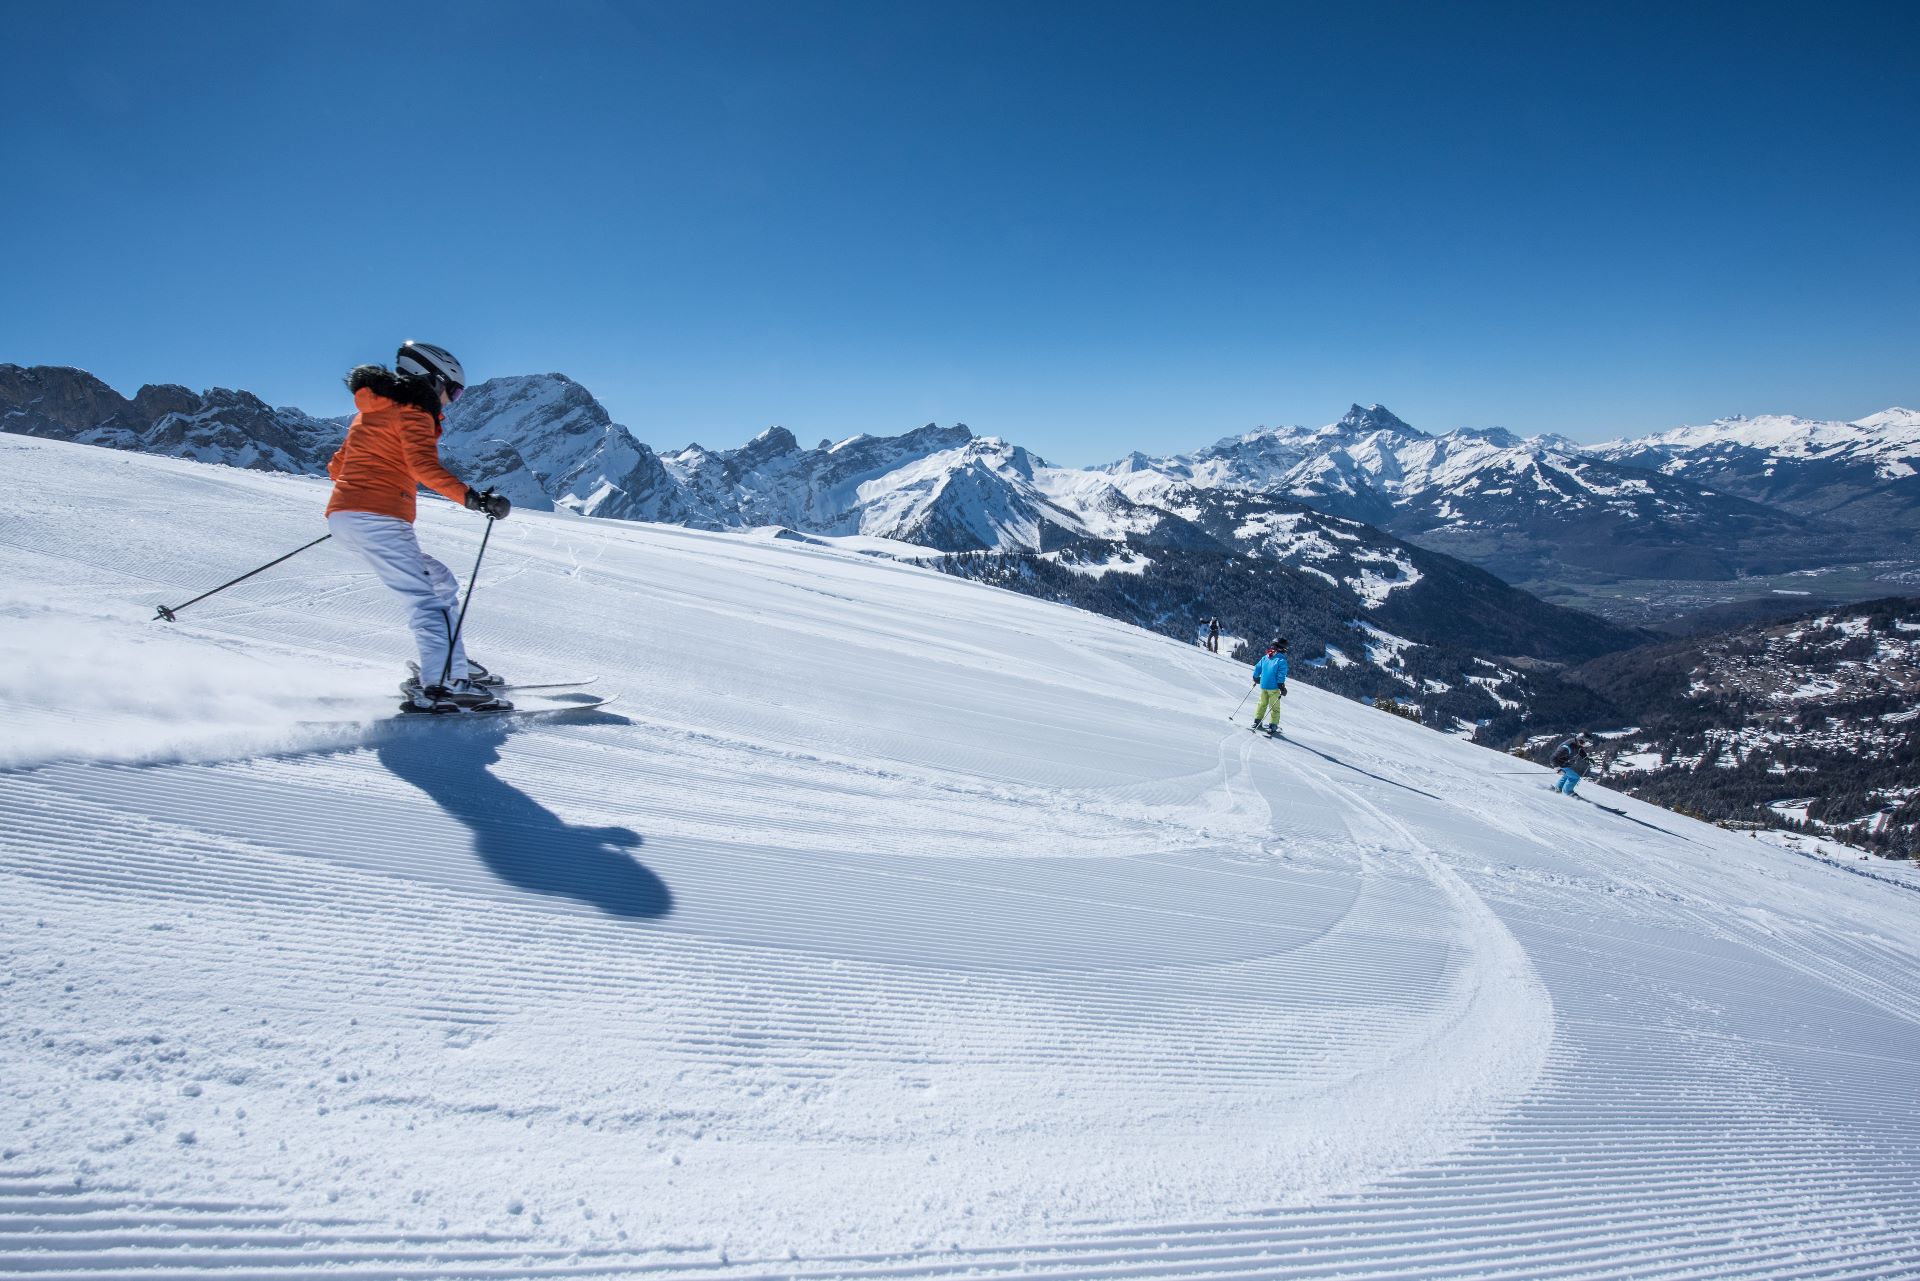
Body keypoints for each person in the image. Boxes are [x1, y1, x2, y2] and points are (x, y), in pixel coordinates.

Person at [325, 341, 514, 714]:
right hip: (378, 517)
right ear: (432, 380)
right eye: (453, 392)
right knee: (426, 601)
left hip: (348, 517)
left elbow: (336, 469)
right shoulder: (414, 411)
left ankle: (451, 663)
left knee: (440, 581)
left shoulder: (371, 411)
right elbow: (422, 467)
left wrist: (359, 501)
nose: (451, 401)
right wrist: (474, 499)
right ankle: (444, 682)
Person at [1250, 637, 1289, 735]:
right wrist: (1281, 687)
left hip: (1263, 685)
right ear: (1282, 648)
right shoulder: (1281, 660)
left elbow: (1258, 667)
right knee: (1274, 707)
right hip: (1274, 687)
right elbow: (1281, 674)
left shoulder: (1266, 657)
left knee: (1262, 703)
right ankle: (1273, 725)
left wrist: (1256, 677)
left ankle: (1257, 721)